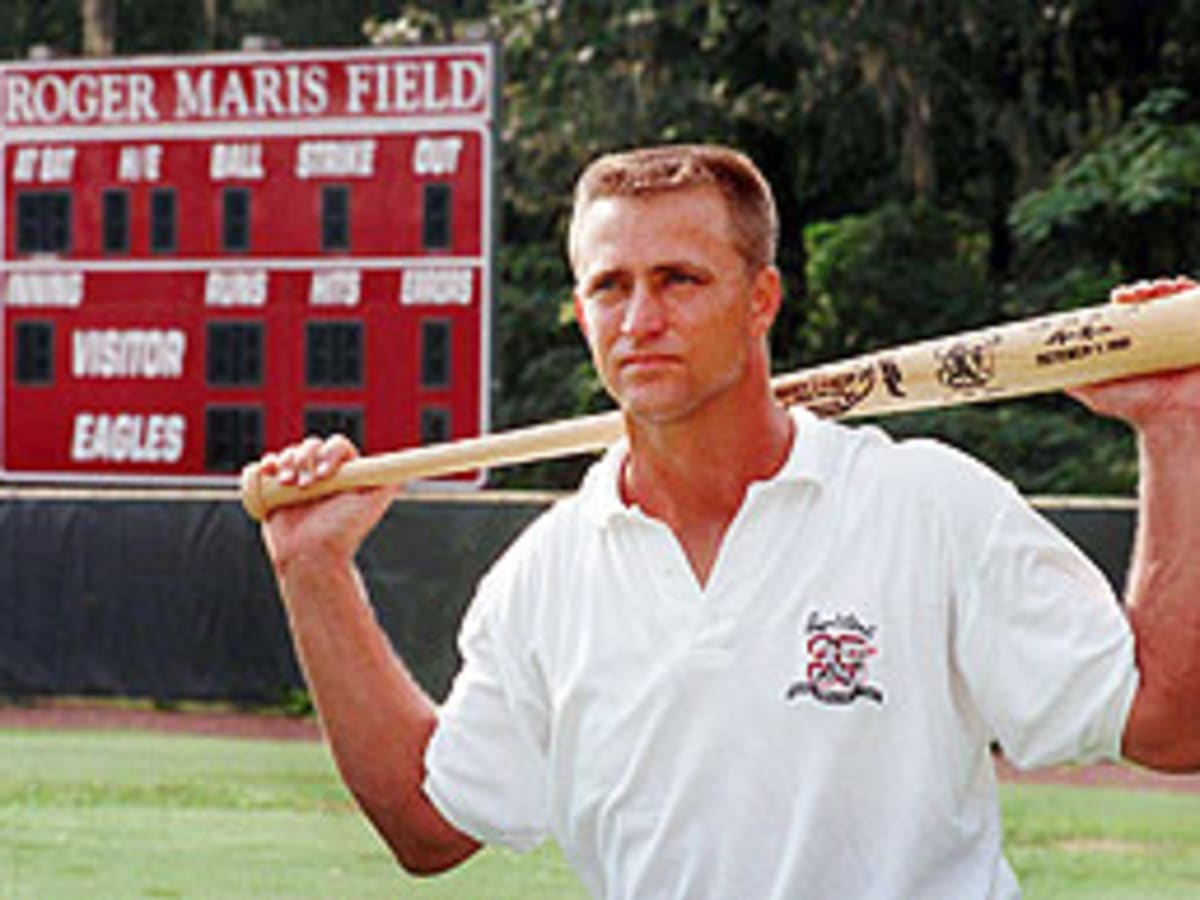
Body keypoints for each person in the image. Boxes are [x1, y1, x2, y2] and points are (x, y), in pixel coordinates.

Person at [254, 144, 1200, 899]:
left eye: (679, 279)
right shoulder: (545, 575)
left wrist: (1178, 425)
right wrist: (314, 571)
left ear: (762, 301)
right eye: (609, 287)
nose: (640, 319)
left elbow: (1170, 724)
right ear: (579, 312)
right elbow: (427, 829)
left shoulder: (925, 506)